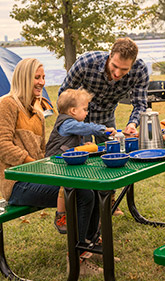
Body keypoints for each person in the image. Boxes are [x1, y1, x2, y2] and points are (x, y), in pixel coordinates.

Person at [0, 58, 102, 275]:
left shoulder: (38, 111)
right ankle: (77, 260)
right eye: (37, 77)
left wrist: (53, 165)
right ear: (24, 78)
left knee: (94, 187)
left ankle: (90, 245)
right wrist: (34, 165)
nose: (41, 82)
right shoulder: (5, 104)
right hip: (17, 183)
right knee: (81, 193)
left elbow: (43, 152)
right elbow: (1, 146)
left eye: (43, 77)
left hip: (39, 176)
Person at [58, 37, 149, 215]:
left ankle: (108, 201)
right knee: (83, 161)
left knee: (112, 157)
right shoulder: (85, 63)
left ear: (132, 64)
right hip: (79, 119)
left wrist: (132, 124)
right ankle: (82, 207)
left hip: (106, 117)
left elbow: (140, 104)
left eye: (124, 69)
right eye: (114, 66)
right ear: (109, 56)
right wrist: (74, 122)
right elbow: (63, 95)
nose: (117, 73)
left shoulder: (140, 70)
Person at [44, 89, 116, 234]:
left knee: (91, 187)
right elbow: (84, 128)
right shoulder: (67, 123)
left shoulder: (72, 122)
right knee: (65, 187)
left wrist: (82, 147)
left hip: (67, 161)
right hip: (56, 162)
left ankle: (92, 232)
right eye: (84, 109)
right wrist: (103, 129)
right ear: (73, 110)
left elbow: (72, 143)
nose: (87, 113)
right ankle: (61, 215)